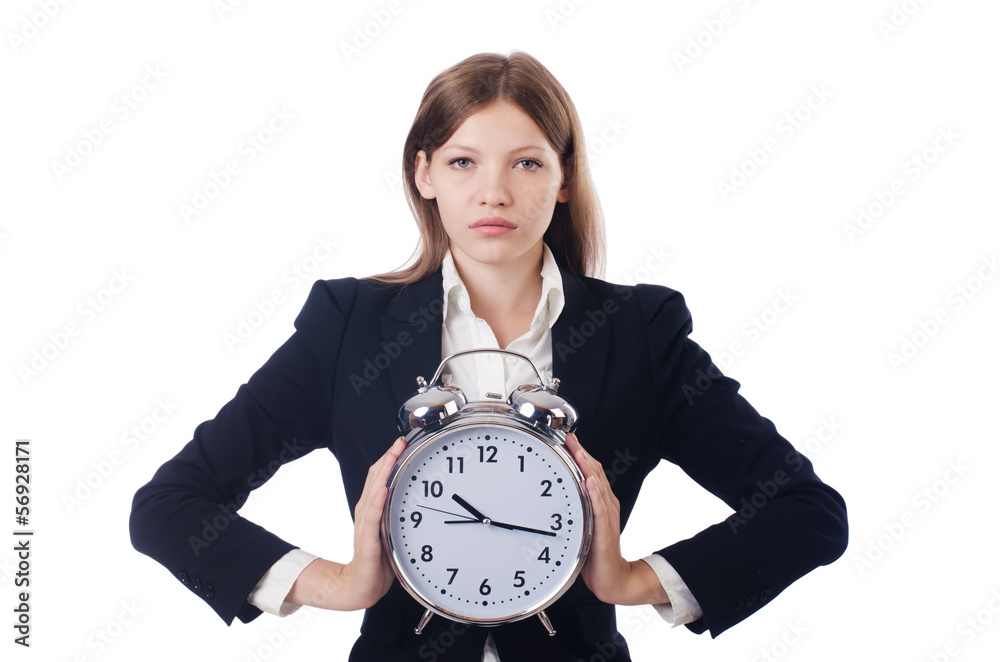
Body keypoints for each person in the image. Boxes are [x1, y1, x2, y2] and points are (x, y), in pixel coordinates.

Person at [130, 51, 848, 661]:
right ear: (425, 174)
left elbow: (807, 512)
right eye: (464, 161)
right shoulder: (349, 327)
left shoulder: (639, 333)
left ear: (564, 179)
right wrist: (340, 583)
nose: (494, 192)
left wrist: (632, 579)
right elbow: (168, 507)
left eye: (527, 163)